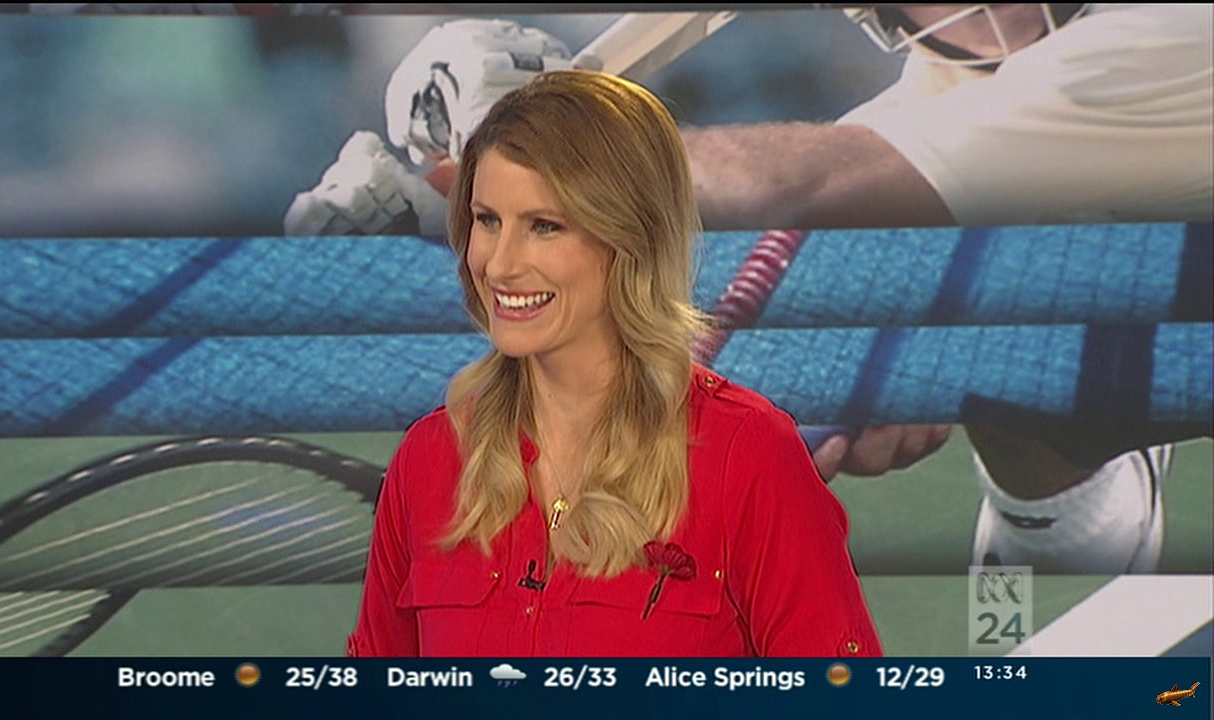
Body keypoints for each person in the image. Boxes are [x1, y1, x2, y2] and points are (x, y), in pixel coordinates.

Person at [296, 6, 1212, 574]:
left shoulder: (1166, 32)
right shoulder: (947, 91)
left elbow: (805, 185)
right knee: (922, 315)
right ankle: (1063, 508)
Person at [345, 71, 883, 657]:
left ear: (629, 240)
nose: (499, 265)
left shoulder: (747, 458)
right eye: (487, 220)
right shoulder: (429, 461)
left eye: (544, 226)